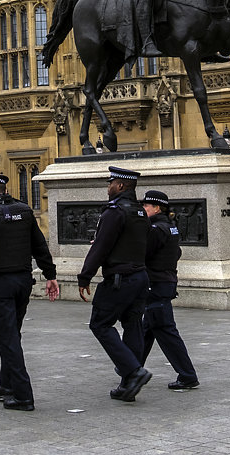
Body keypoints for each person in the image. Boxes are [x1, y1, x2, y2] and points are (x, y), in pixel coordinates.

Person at [0, 173, 60, 412]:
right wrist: (50, 275)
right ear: (4, 190)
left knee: (7, 337)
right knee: (12, 332)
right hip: (23, 281)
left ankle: (23, 394)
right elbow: (40, 246)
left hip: (1, 283)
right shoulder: (25, 211)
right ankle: (6, 384)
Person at [77, 165, 152, 401]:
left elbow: (101, 247)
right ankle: (129, 383)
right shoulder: (140, 211)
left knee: (100, 324)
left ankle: (134, 371)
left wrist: (85, 276)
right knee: (133, 325)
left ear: (120, 185)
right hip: (140, 277)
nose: (108, 187)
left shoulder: (114, 211)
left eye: (110, 183)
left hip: (120, 279)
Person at [139, 190, 199, 390]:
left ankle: (187, 375)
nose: (143, 209)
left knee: (165, 330)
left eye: (146, 206)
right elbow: (177, 252)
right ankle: (131, 367)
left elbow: (143, 253)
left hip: (156, 283)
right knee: (147, 328)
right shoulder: (170, 226)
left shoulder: (155, 228)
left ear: (156, 207)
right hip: (164, 282)